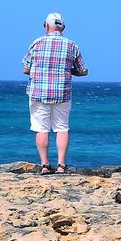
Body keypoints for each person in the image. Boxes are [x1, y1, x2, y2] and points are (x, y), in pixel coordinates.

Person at [20, 13, 87, 173]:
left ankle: (44, 165)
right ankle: (61, 165)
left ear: (46, 26)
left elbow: (25, 69)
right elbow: (82, 71)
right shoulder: (72, 45)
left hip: (39, 92)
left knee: (41, 128)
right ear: (62, 27)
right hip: (62, 92)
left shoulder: (37, 43)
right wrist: (68, 71)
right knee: (62, 128)